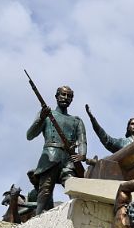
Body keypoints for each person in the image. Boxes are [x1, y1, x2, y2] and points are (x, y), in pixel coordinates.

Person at [25, 85, 87, 214]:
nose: (65, 98)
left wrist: (82, 155)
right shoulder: (47, 115)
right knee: (45, 190)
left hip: (69, 159)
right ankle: (38, 217)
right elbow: (30, 135)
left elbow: (82, 141)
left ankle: (79, 214)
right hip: (51, 156)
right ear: (56, 96)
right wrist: (42, 118)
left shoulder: (76, 121)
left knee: (73, 187)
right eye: (63, 95)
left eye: (69, 96)